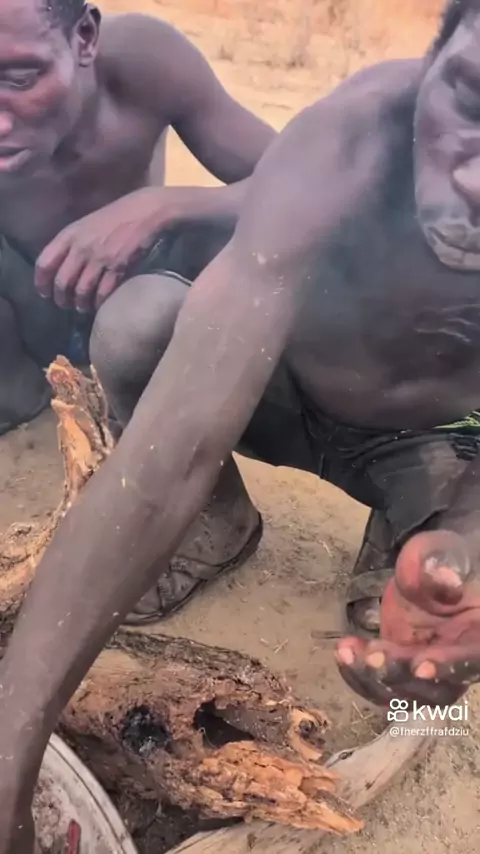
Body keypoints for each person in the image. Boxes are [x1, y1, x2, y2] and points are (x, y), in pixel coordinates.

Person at [4, 0, 480, 850]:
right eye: (470, 97)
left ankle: (417, 583)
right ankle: (218, 528)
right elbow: (165, 457)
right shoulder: (353, 136)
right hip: (286, 395)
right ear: (433, 63)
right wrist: (12, 749)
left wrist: (470, 544)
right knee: (141, 322)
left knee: (420, 654)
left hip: (434, 446)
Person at [0, 0, 275, 435]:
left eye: (20, 80)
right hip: (23, 314)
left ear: (84, 37)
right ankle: (18, 396)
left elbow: (306, 187)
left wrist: (161, 208)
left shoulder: (144, 64)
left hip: (133, 291)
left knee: (155, 308)